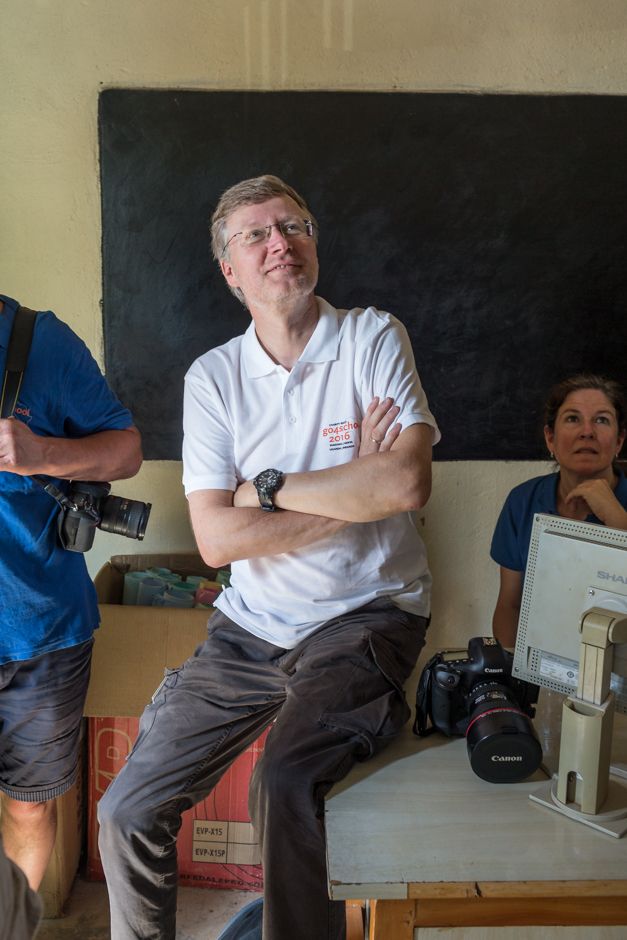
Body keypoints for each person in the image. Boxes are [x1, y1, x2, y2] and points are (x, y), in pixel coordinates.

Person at [98, 174, 440, 940]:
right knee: (126, 810)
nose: (279, 242)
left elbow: (404, 483)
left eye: (293, 226)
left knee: (284, 780)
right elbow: (218, 541)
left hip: (365, 616)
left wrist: (265, 491)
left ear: (313, 243)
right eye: (255, 234)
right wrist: (349, 491)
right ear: (230, 270)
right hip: (249, 626)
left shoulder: (371, 337)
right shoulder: (213, 378)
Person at [0, 293, 143, 892]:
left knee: (28, 808)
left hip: (41, 633)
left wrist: (39, 453)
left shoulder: (40, 341)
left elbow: (126, 451)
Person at [491, 374, 627, 648]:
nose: (587, 431)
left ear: (619, 442)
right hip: (545, 659)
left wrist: (617, 519)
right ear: (550, 438)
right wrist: (514, 669)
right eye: (573, 418)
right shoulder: (523, 501)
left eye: (601, 420)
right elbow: (511, 605)